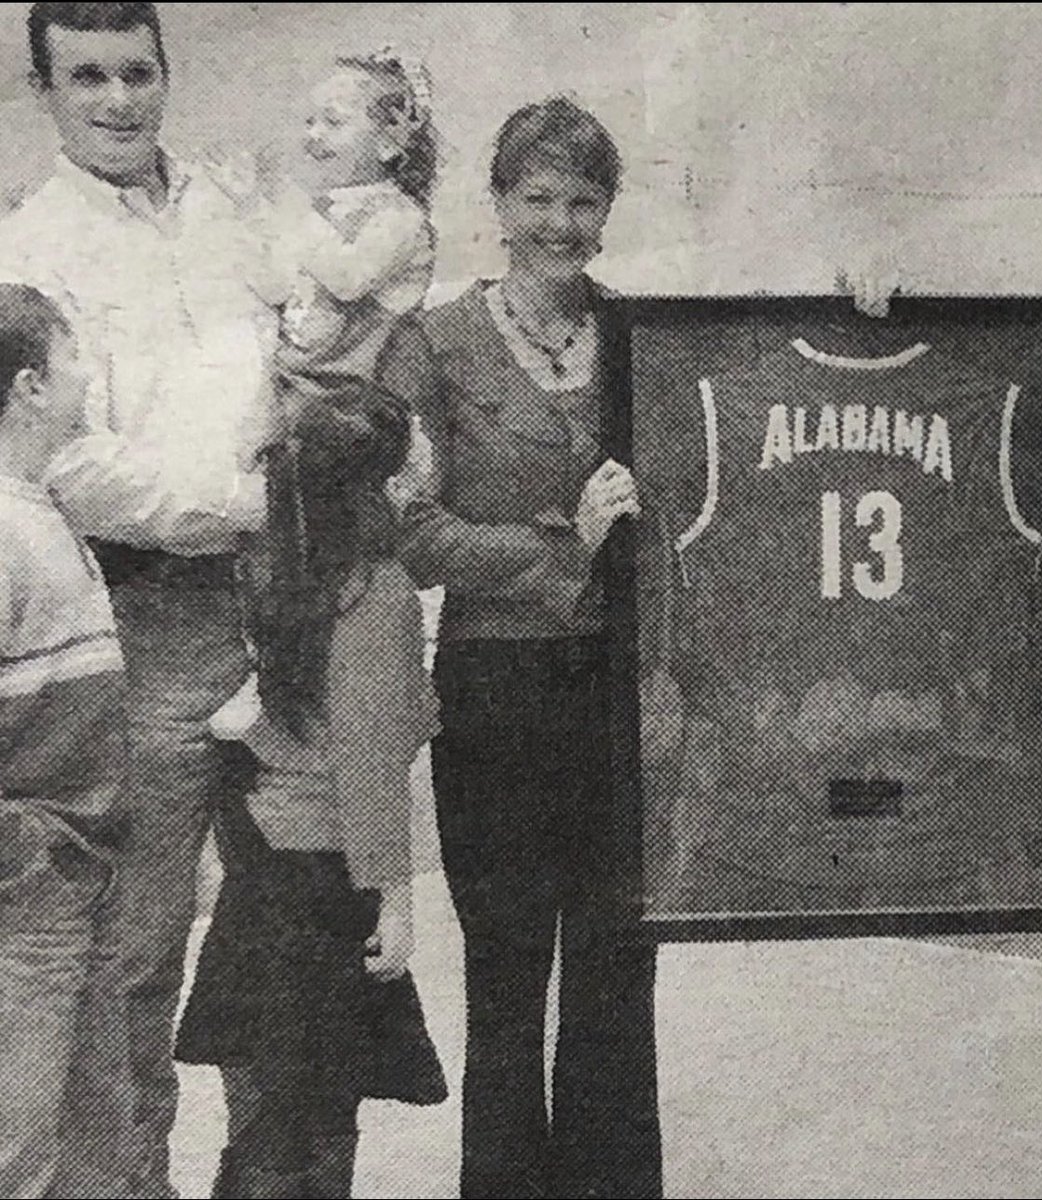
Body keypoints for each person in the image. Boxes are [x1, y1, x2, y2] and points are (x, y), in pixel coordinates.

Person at [0, 6, 277, 1195]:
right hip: (145, 622)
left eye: (138, 73)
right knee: (135, 954)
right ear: (44, 91)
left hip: (279, 614)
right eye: (88, 78)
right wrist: (238, 507)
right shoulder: (29, 247)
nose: (118, 101)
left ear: (167, 74)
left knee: (290, 937)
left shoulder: (231, 212)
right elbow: (69, 461)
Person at [376, 95, 658, 1200]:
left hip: (623, 696)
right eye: (537, 197)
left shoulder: (638, 336)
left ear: (606, 211)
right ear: (497, 203)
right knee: (504, 976)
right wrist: (561, 540)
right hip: (493, 691)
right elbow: (405, 531)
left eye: (582, 200)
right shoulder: (430, 345)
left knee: (616, 968)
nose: (560, 221)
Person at [174, 371, 442, 1200]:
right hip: (328, 883)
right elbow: (369, 768)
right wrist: (395, 899)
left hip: (261, 869)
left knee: (260, 1114)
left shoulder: (268, 574)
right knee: (318, 1123)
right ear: (386, 484)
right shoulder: (380, 592)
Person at [204, 42, 440, 734]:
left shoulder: (398, 218)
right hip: (301, 397)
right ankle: (270, 672)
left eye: (333, 122)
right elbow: (282, 288)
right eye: (310, 121)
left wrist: (286, 208)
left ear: (392, 138)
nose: (313, 137)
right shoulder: (325, 212)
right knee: (264, 543)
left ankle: (311, 681)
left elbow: (342, 277)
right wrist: (251, 210)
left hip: (354, 411)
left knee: (318, 556)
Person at [0, 284, 131, 1198]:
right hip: (31, 877)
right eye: (74, 354)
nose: (91, 373)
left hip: (75, 869)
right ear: (31, 387)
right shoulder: (6, 530)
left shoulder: (39, 512)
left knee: (87, 1141)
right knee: (17, 1141)